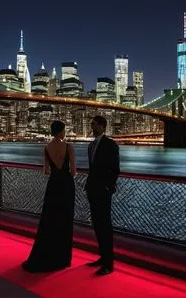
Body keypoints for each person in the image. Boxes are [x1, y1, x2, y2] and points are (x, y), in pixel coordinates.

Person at [22, 120, 77, 273]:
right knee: (65, 220)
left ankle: (47, 254)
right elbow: (73, 172)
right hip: (66, 186)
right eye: (64, 130)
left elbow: (46, 171)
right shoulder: (69, 147)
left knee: (50, 219)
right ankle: (62, 258)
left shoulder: (46, 148)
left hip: (53, 186)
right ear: (61, 131)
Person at [85, 115, 120, 276]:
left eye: (94, 124)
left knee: (105, 226)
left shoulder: (110, 144)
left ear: (102, 126)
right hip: (92, 189)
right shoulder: (91, 145)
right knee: (97, 225)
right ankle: (102, 257)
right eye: (91, 123)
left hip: (103, 190)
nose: (91, 126)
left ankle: (108, 264)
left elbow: (115, 169)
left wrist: (108, 186)